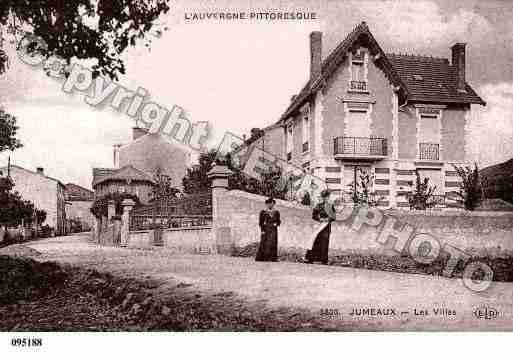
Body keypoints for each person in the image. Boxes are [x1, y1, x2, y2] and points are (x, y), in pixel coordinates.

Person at [306, 189, 336, 264]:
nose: (326, 198)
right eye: (324, 197)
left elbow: (334, 217)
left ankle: (324, 260)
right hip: (319, 225)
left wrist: (328, 219)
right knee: (315, 241)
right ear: (322, 197)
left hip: (326, 227)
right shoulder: (318, 206)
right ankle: (311, 258)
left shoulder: (330, 206)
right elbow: (314, 215)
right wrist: (320, 218)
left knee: (325, 243)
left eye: (327, 197)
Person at [256, 197, 281, 262]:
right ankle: (263, 257)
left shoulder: (276, 212)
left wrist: (277, 224)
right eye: (270, 203)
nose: (271, 205)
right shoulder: (263, 212)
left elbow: (279, 221)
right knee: (265, 243)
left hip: (273, 229)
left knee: (273, 243)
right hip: (266, 229)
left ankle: (273, 258)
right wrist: (262, 230)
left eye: (273, 204)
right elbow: (261, 222)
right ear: (267, 204)